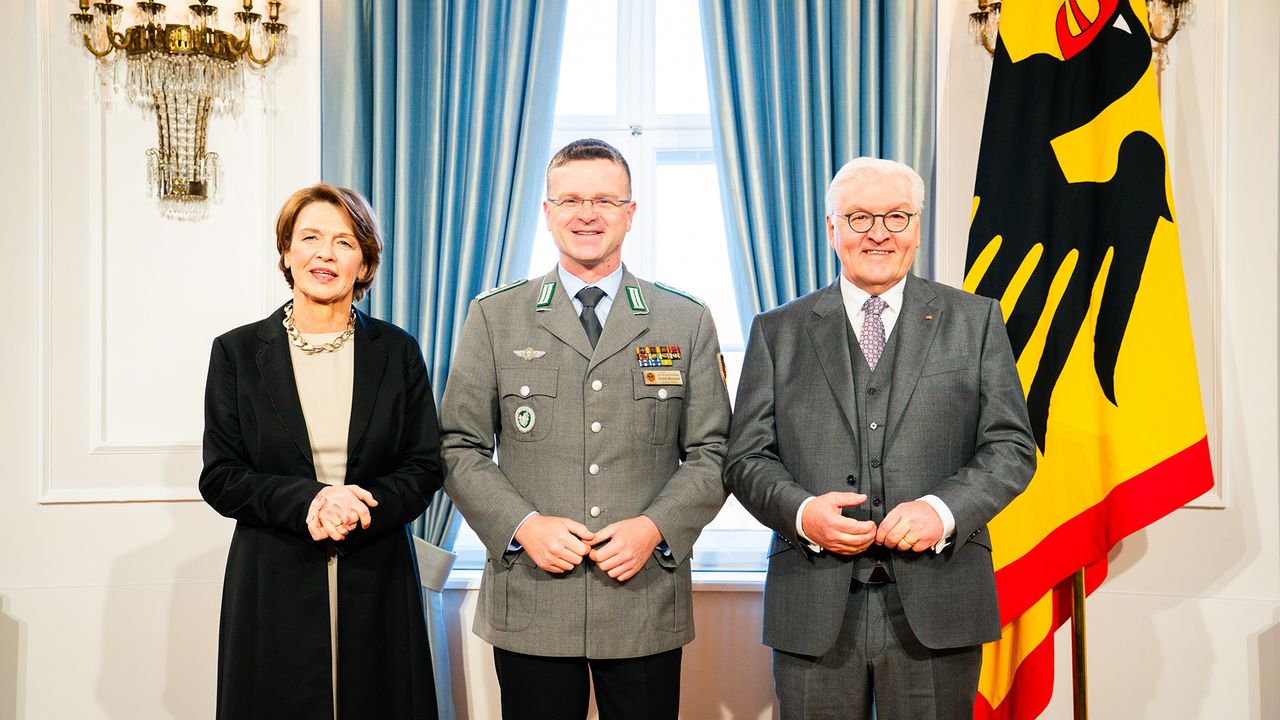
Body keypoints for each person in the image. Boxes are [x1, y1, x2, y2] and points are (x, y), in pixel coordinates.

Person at [724, 157, 1037, 719]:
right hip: (813, 602)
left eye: (896, 217)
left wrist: (942, 511)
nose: (878, 234)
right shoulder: (778, 331)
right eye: (860, 217)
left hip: (939, 598)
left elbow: (1011, 447)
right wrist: (802, 515)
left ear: (916, 226)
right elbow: (746, 458)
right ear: (831, 228)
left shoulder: (976, 321)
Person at [439, 138, 731, 720]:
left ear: (630, 211)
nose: (587, 214)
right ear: (546, 213)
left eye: (604, 199)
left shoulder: (686, 319)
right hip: (534, 596)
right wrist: (524, 526)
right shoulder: (494, 316)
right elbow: (459, 446)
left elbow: (713, 451)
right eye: (570, 199)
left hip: (643, 596)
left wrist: (655, 527)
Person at [199, 183, 442, 719]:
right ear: (287, 253)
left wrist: (359, 506)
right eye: (309, 238)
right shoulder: (237, 352)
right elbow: (220, 476)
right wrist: (310, 501)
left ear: (365, 263)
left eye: (344, 241)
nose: (325, 254)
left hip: (378, 568)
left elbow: (424, 465)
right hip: (273, 572)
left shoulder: (397, 350)